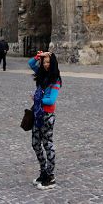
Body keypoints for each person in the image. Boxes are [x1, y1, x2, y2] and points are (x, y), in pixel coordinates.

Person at [28, 50, 62, 191]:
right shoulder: (42, 75)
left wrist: (38, 99)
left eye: (48, 62)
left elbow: (51, 100)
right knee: (35, 143)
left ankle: (51, 176)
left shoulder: (55, 79)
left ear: (53, 63)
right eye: (44, 62)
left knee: (47, 144)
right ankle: (43, 172)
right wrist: (38, 56)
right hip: (38, 114)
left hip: (47, 116)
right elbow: (31, 63)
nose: (46, 64)